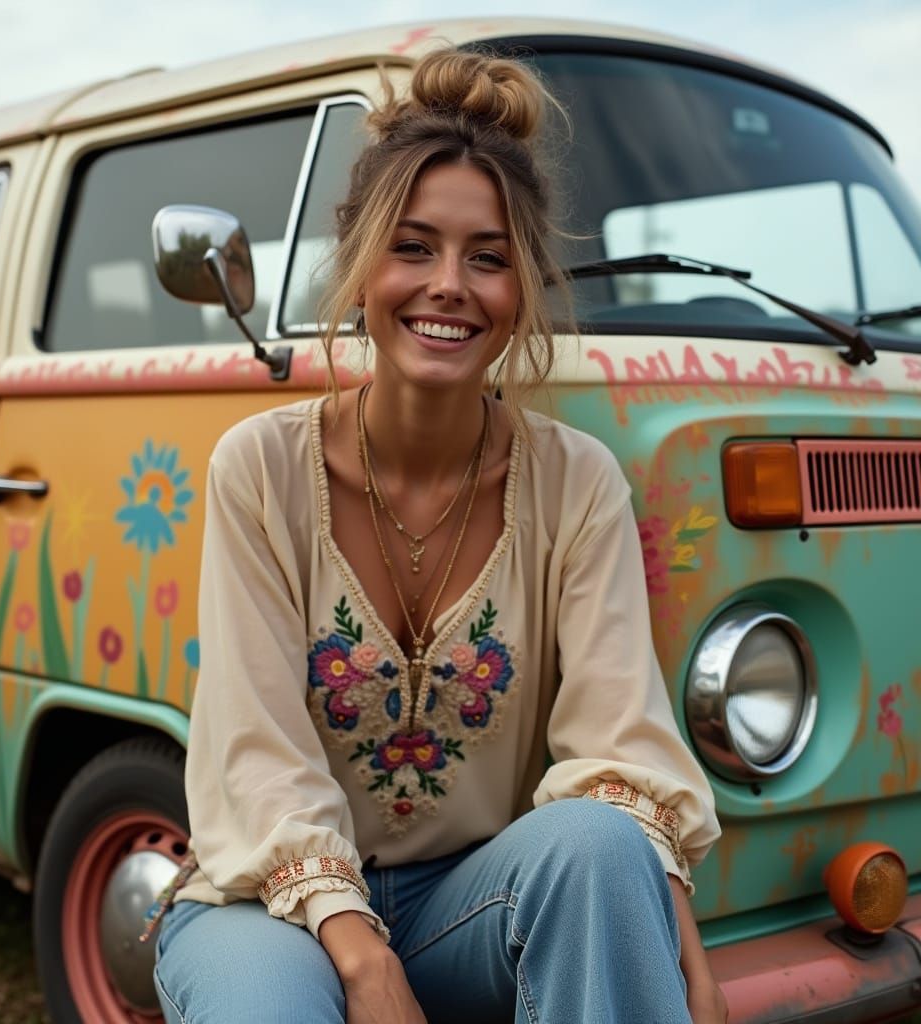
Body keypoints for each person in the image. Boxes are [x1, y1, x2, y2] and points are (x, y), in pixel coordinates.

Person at [150, 47, 726, 1024]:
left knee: (600, 844)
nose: (449, 284)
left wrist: (683, 956)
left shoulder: (576, 480)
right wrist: (364, 962)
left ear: (522, 288)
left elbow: (616, 745)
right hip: (272, 907)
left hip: (474, 899)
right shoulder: (259, 468)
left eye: (487, 256)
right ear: (362, 264)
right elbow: (258, 756)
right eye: (413, 247)